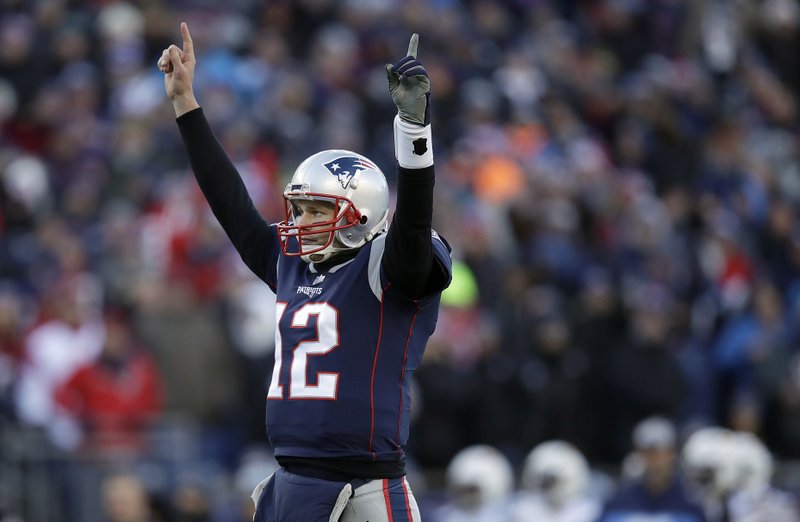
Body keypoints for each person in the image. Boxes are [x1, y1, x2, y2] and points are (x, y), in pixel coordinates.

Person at [158, 22, 452, 522]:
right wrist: (186, 104)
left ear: (359, 213)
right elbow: (230, 204)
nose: (301, 222)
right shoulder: (292, 262)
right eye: (299, 209)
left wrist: (413, 132)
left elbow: (415, 222)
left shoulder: (387, 264)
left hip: (367, 482)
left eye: (317, 210)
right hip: (292, 476)